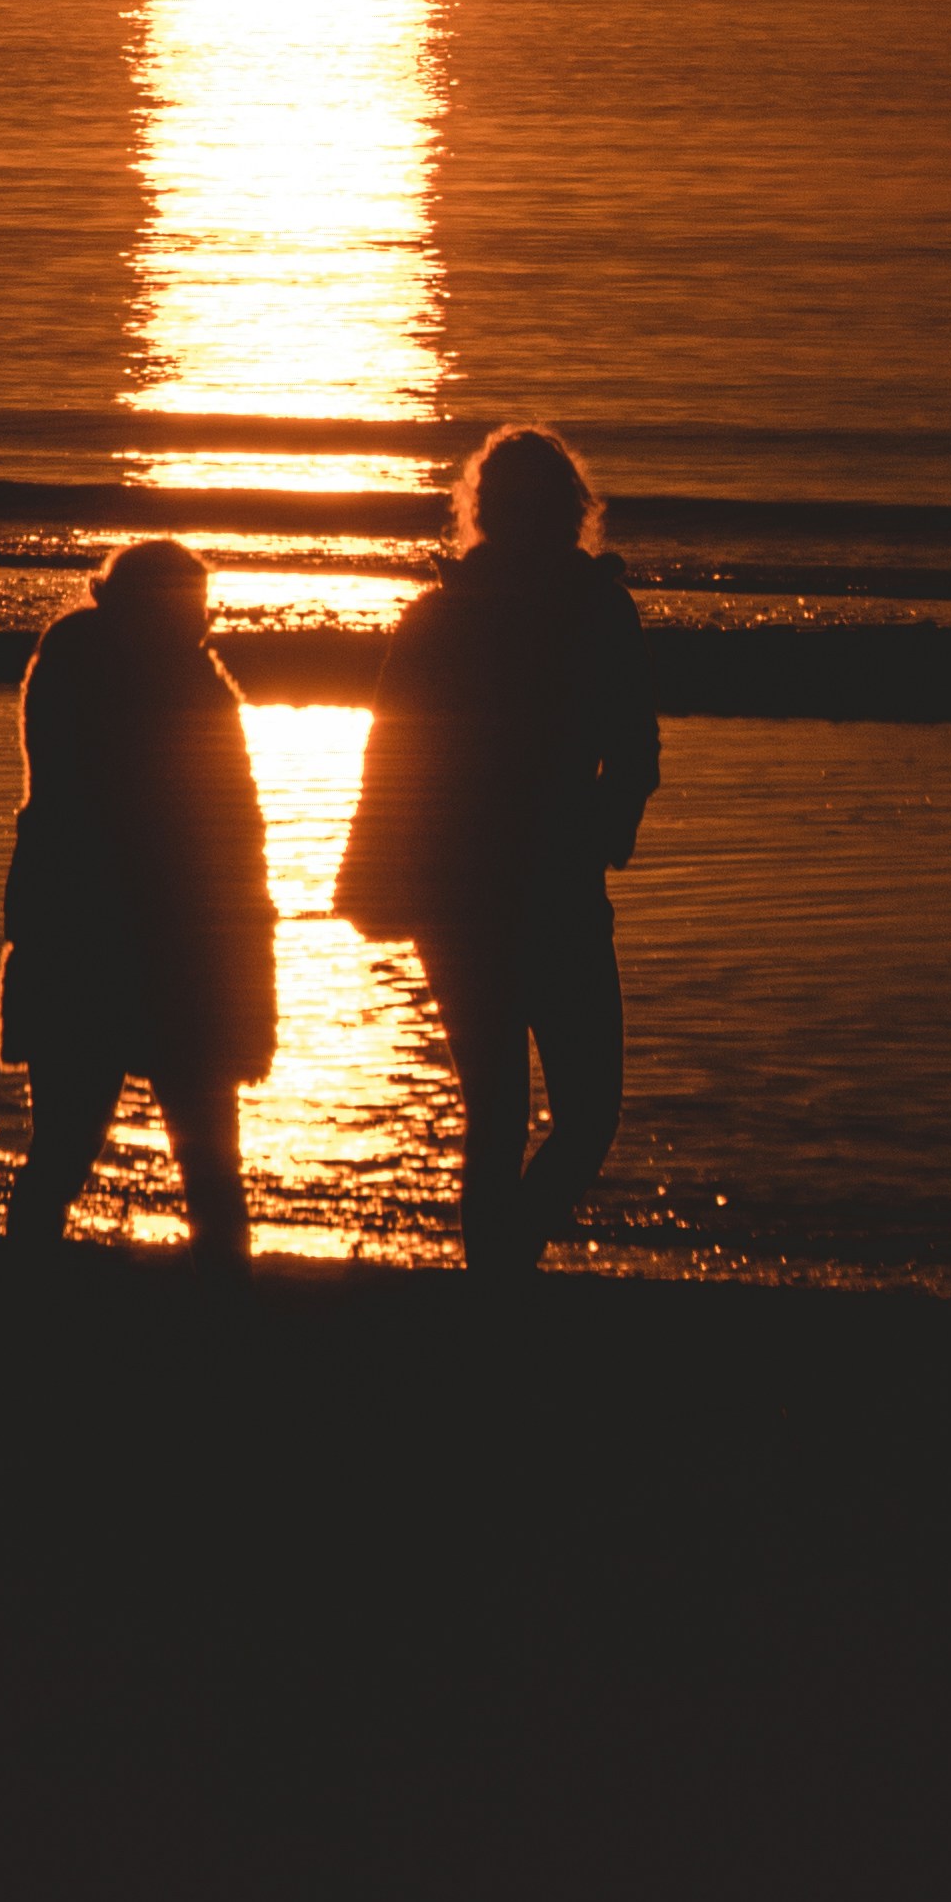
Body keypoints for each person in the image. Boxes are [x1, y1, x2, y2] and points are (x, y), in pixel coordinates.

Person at [335, 425, 661, 1279]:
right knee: (580, 1113)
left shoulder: (448, 612)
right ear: (569, 510)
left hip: (471, 895)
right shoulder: (588, 609)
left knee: (504, 1117)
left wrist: (380, 882)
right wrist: (599, 832)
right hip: (537, 892)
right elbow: (635, 753)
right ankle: (501, 1282)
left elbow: (388, 761)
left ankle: (498, 1275)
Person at [0, 538, 276, 1262]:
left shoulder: (80, 662)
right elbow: (227, 837)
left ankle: (24, 1289)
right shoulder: (172, 679)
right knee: (203, 1159)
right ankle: (224, 1303)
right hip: (161, 949)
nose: (203, 620)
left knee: (69, 1145)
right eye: (192, 606)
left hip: (85, 938)